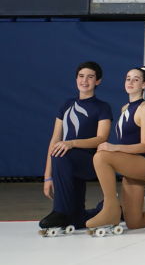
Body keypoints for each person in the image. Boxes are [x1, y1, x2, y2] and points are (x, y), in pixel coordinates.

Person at [39, 61, 113, 236]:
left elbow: (101, 138)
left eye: (90, 77)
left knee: (62, 152)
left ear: (98, 81)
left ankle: (60, 211)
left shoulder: (102, 107)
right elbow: (55, 139)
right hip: (67, 161)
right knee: (77, 220)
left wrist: (71, 143)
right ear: (76, 79)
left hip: (91, 162)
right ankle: (105, 210)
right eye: (81, 76)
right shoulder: (66, 104)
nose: (84, 80)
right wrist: (48, 176)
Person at [85, 67, 145, 235]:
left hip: (142, 164)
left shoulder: (144, 109)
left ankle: (110, 208)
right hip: (129, 167)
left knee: (101, 157)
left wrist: (114, 148)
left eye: (136, 79)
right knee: (134, 222)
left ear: (144, 84)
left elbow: (144, 145)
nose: (130, 82)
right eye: (128, 78)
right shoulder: (125, 108)